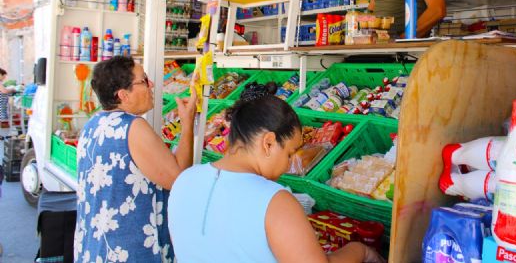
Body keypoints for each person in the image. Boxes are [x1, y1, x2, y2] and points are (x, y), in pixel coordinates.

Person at [168, 94, 385, 263]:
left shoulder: (184, 180)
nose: (290, 164)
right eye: (290, 153)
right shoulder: (275, 202)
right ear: (268, 143)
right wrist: (359, 251)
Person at [74, 56, 196, 262]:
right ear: (123, 95)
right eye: (144, 80)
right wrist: (188, 123)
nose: (152, 85)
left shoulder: (93, 124)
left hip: (96, 248)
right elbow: (178, 178)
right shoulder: (132, 127)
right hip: (128, 249)